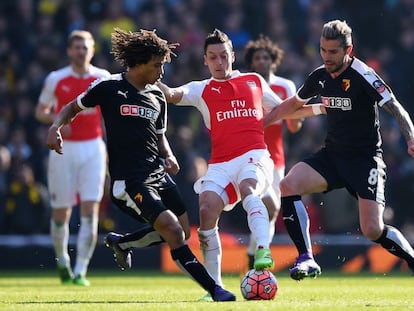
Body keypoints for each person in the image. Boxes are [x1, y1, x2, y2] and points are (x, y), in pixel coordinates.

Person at [46, 27, 236, 302]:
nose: (162, 72)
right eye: (157, 65)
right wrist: (55, 127)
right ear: (139, 64)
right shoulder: (109, 87)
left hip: (158, 173)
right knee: (171, 230)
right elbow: (72, 107)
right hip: (129, 180)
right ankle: (215, 289)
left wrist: (168, 155)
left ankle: (122, 242)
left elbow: (159, 135)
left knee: (182, 231)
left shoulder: (158, 96)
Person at [157, 29, 320, 299]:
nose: (219, 62)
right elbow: (173, 95)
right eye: (213, 58)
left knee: (249, 188)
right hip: (221, 163)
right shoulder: (201, 89)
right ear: (205, 61)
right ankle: (215, 287)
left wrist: (321, 107)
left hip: (255, 155)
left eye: (224, 56)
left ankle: (262, 250)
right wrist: (152, 76)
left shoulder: (254, 81)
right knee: (207, 209)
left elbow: (284, 108)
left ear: (232, 55)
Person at [265, 19, 414, 280]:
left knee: (372, 229)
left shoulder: (364, 75)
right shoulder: (319, 76)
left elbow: (395, 107)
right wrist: (261, 123)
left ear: (349, 50)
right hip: (332, 155)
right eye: (323, 50)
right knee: (288, 185)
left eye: (333, 52)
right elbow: (294, 105)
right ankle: (306, 258)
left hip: (365, 160)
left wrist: (411, 138)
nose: (327, 57)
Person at [35, 30, 110, 286]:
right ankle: (63, 264)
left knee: (90, 209)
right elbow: (40, 111)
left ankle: (80, 271)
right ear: (69, 51)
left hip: (93, 148)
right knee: (62, 212)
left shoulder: (102, 78)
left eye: (85, 47)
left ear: (92, 50)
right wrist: (57, 123)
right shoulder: (56, 79)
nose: (81, 51)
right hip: (63, 150)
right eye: (77, 47)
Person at [243, 35, 304, 269]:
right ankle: (260, 254)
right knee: (264, 207)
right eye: (257, 58)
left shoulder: (284, 86)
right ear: (252, 62)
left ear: (273, 60)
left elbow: (294, 126)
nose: (261, 61)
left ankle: (253, 254)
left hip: (276, 160)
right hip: (250, 155)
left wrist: (296, 117)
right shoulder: (247, 84)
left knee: (270, 210)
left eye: (265, 57)